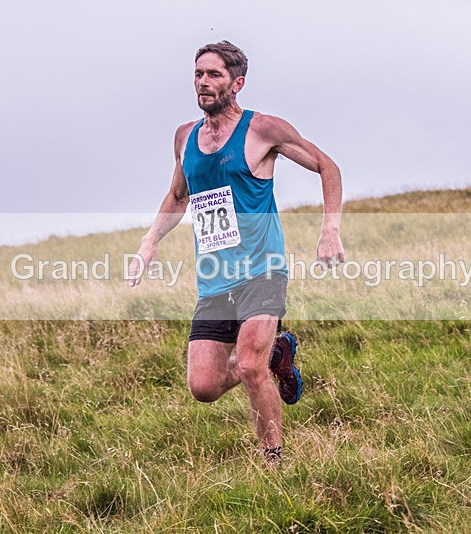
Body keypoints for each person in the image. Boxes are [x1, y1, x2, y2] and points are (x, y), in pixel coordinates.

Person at [126, 40, 344, 466]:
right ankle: (278, 354)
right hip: (214, 278)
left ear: (237, 83)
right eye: (198, 74)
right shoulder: (185, 136)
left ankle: (274, 460)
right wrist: (148, 243)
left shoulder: (262, 129)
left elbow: (327, 166)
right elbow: (177, 195)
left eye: (214, 75)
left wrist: (330, 230)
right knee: (203, 387)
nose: (203, 83)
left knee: (248, 365)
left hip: (263, 269)